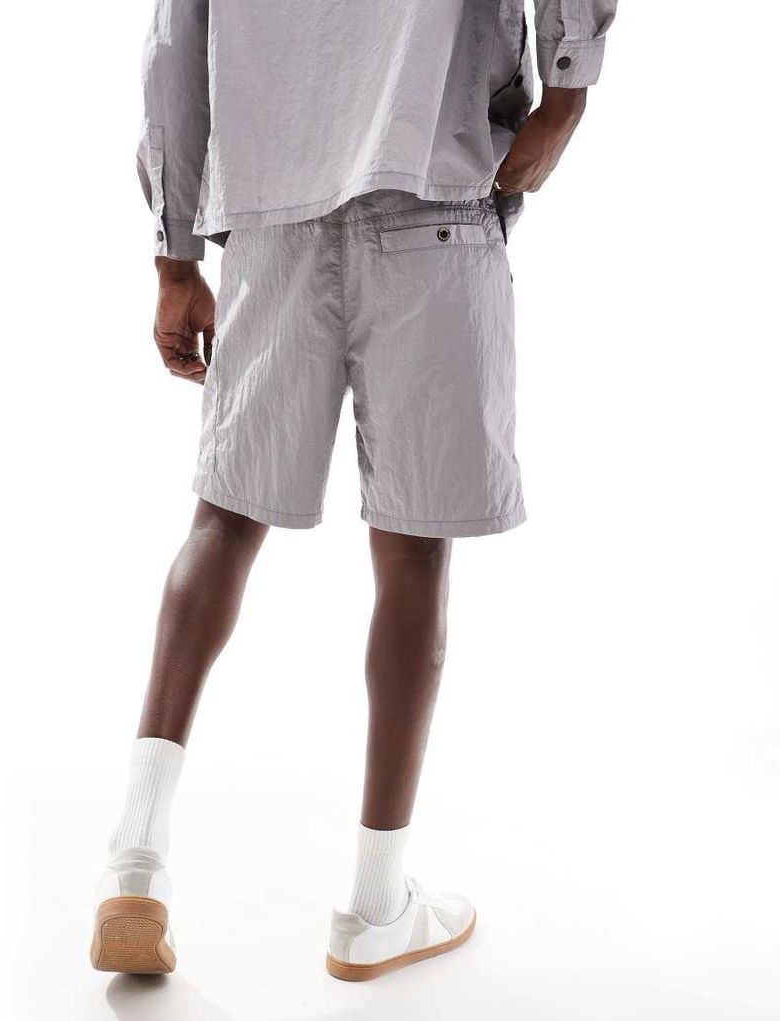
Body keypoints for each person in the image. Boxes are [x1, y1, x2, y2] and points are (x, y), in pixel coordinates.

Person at [90, 0, 617, 981]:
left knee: (222, 520)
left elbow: (173, 46)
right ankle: (376, 905)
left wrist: (174, 254)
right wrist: (566, 96)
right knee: (412, 550)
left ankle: (135, 860)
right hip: (432, 194)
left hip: (269, 210)